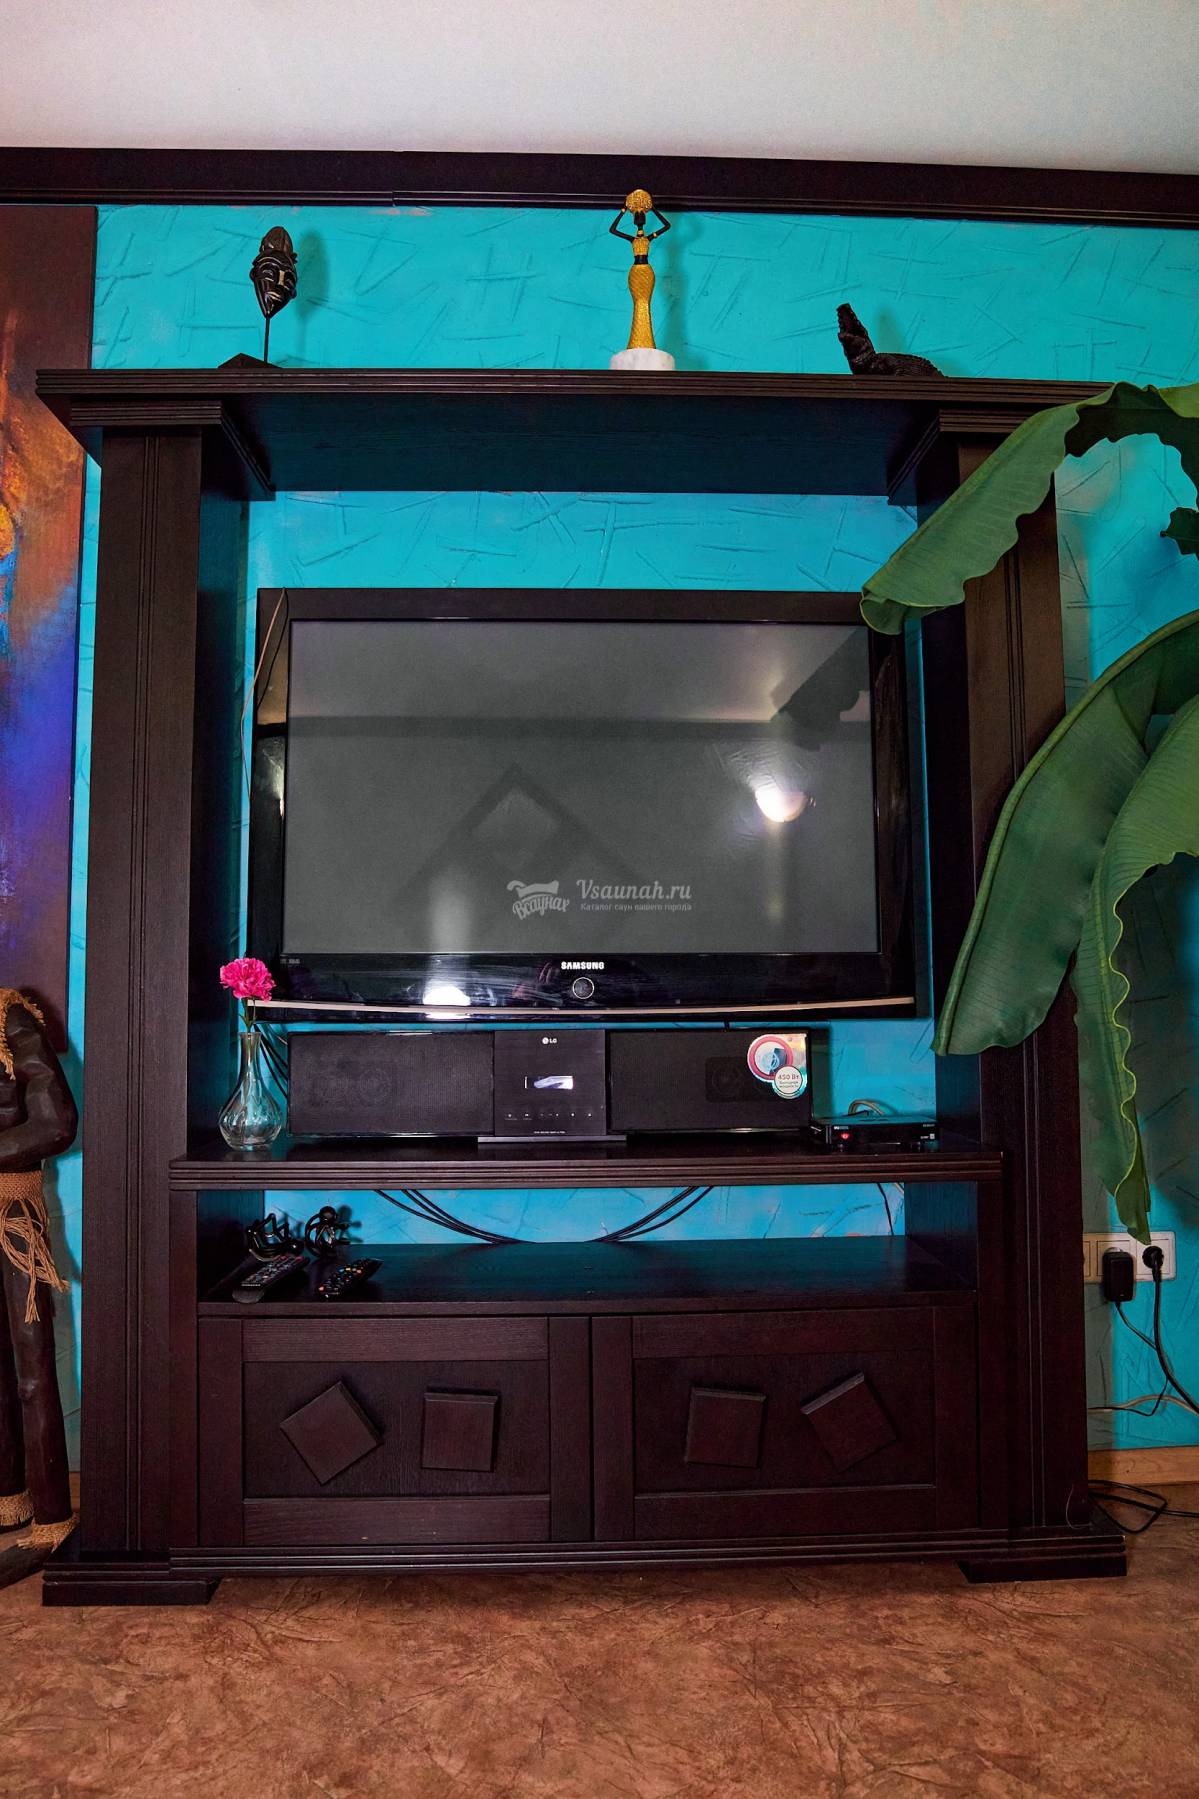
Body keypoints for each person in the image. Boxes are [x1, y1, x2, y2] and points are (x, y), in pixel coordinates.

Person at [0, 989, 76, 1548]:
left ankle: (52, 1518)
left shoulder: (10, 1016)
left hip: (11, 1211)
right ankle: (9, 1499)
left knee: (32, 1364)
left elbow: (55, 1124)